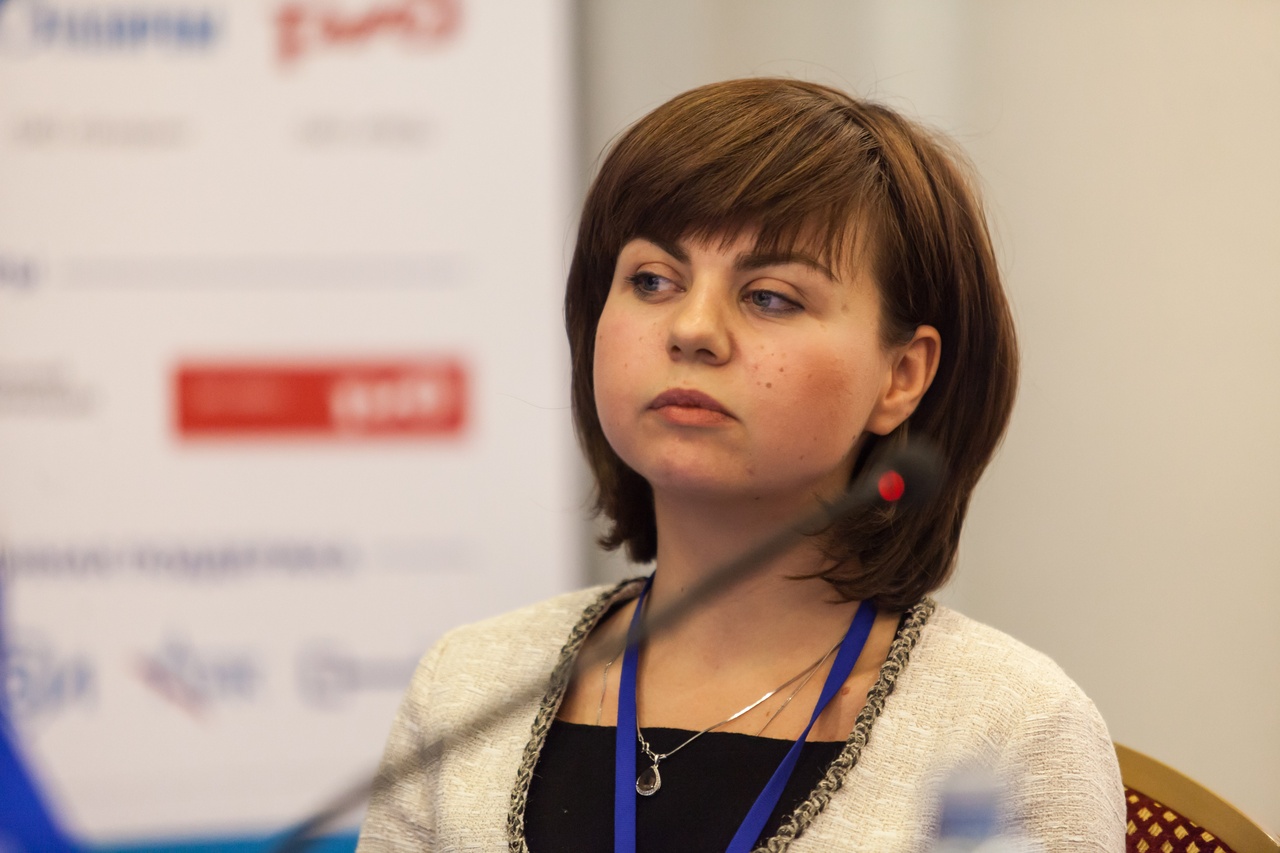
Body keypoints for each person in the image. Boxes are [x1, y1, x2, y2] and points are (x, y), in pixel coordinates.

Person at [355, 78, 1126, 852]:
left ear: (901, 376)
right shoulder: (468, 687)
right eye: (652, 281)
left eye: (770, 297)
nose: (693, 328)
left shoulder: (1008, 729)